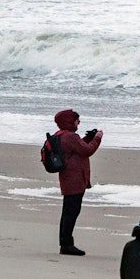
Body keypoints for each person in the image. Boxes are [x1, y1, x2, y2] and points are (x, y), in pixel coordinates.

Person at [50, 109, 102, 256]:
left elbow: (78, 148)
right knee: (71, 212)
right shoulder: (70, 136)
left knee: (68, 211)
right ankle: (66, 245)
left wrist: (87, 138)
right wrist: (97, 138)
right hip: (74, 179)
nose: (78, 123)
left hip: (68, 178)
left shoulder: (62, 135)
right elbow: (87, 151)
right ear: (69, 122)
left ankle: (65, 243)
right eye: (77, 121)